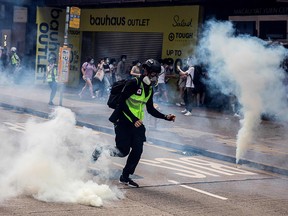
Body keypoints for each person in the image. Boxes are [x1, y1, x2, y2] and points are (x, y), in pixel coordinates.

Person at [92, 59, 176, 187]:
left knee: (138, 150)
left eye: (156, 74)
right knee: (123, 151)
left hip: (137, 125)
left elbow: (150, 109)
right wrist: (134, 119)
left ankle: (125, 177)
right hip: (123, 121)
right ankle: (100, 149)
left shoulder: (149, 89)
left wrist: (165, 117)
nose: (154, 77)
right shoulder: (133, 83)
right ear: (146, 71)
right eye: (153, 73)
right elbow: (121, 103)